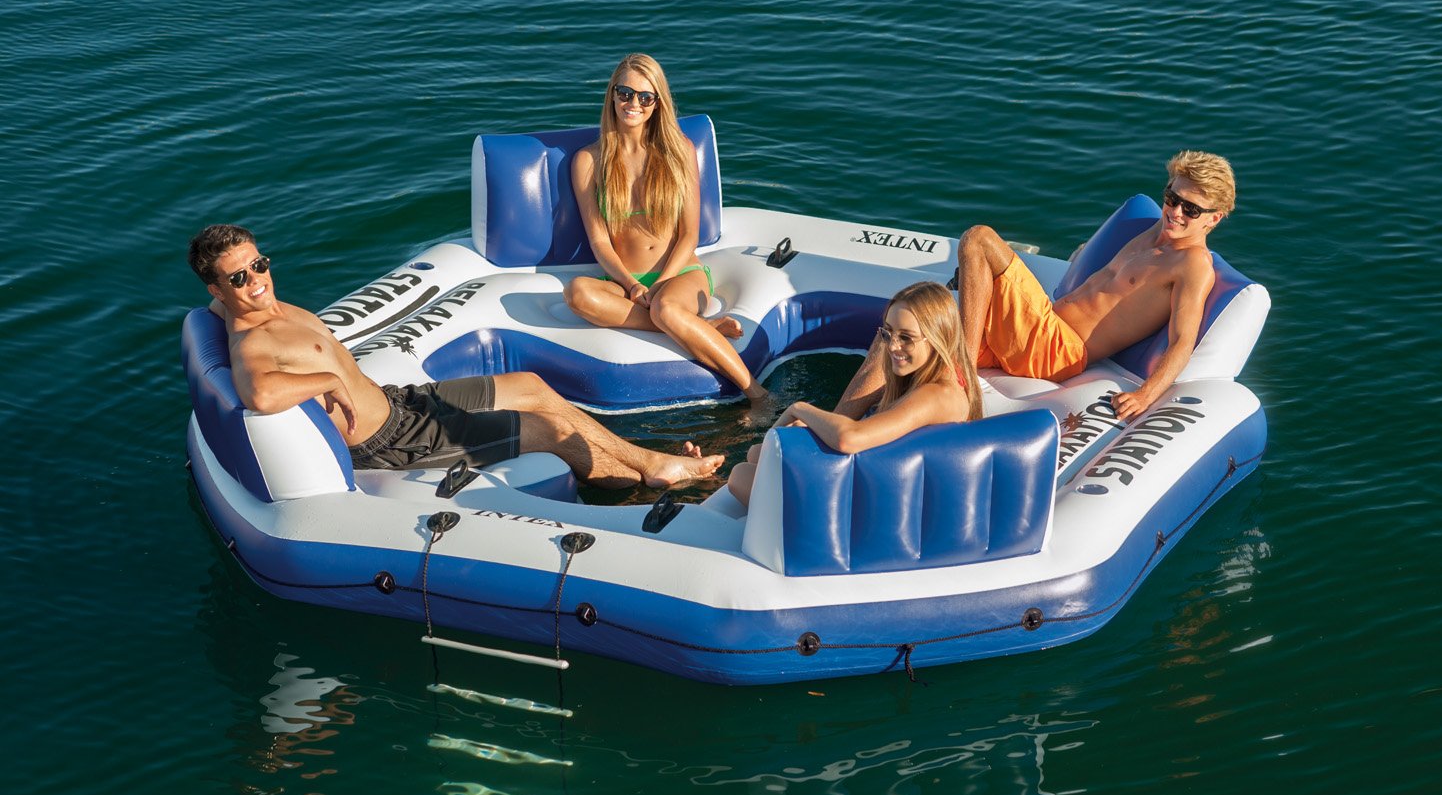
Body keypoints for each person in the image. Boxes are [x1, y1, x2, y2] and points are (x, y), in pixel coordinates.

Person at [187, 223, 723, 488]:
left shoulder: (263, 306)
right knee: (547, 430)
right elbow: (259, 392)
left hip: (402, 401)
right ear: (217, 289)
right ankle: (649, 473)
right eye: (238, 278)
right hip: (390, 441)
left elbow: (222, 309)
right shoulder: (252, 340)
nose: (256, 281)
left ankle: (646, 462)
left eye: (259, 264)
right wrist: (328, 381)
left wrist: (222, 303)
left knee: (532, 386)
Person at [837, 150, 1235, 424]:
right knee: (897, 339)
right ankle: (831, 427)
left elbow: (1183, 340)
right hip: (1035, 331)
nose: (1175, 212)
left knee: (978, 239)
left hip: (1058, 349)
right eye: (1171, 197)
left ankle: (962, 370)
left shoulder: (1192, 264)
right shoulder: (1154, 232)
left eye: (1190, 209)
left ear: (1214, 218)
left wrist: (1146, 395)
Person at [564, 53, 769, 408]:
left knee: (667, 309)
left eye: (645, 97)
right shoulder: (588, 161)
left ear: (658, 103)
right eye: (625, 93)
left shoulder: (679, 150)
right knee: (578, 294)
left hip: (680, 274)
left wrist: (660, 284)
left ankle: (758, 394)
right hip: (625, 282)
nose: (633, 104)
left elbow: (689, 234)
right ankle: (704, 328)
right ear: (612, 94)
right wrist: (631, 285)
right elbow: (599, 240)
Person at [728, 281, 980, 506]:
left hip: (875, 505)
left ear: (937, 338)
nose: (892, 346)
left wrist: (799, 408)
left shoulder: (936, 395)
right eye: (888, 333)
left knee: (741, 475)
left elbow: (849, 438)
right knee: (757, 454)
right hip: (884, 485)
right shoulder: (947, 377)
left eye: (906, 337)